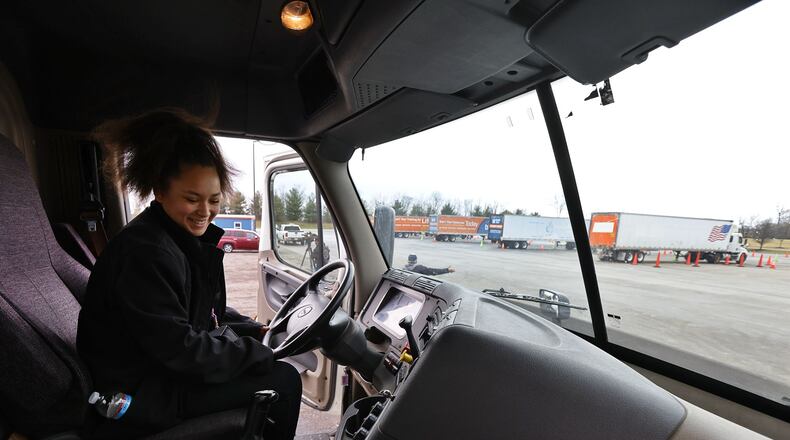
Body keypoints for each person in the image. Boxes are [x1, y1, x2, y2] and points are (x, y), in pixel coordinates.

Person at [76, 109, 301, 439]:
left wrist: (253, 331)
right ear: (160, 191)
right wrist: (257, 353)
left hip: (153, 373)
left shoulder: (174, 240)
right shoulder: (147, 253)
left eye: (213, 200)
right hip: (138, 393)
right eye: (191, 199)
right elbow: (180, 347)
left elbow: (196, 314)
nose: (205, 212)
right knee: (283, 380)